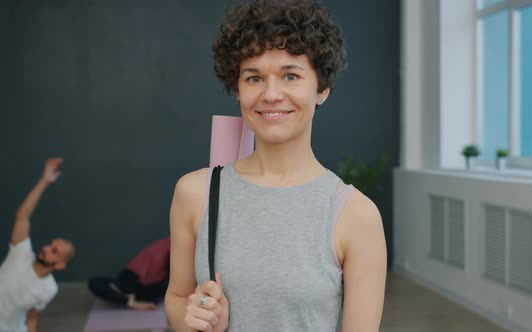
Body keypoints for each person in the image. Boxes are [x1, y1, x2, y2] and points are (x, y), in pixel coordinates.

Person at [165, 0, 387, 331]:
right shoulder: (196, 192)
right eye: (253, 78)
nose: (271, 94)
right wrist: (197, 319)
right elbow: (177, 297)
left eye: (290, 75)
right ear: (237, 90)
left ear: (321, 89)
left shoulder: (355, 214)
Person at [0, 158, 76, 332]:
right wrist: (45, 181)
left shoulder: (49, 289)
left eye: (54, 251)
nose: (46, 248)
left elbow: (31, 319)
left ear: (60, 265)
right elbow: (22, 216)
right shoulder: (21, 253)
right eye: (50, 245)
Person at [88, 237, 171, 310]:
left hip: (148, 288)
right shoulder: (168, 243)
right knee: (94, 283)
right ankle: (130, 301)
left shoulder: (174, 247)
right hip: (129, 279)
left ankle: (131, 300)